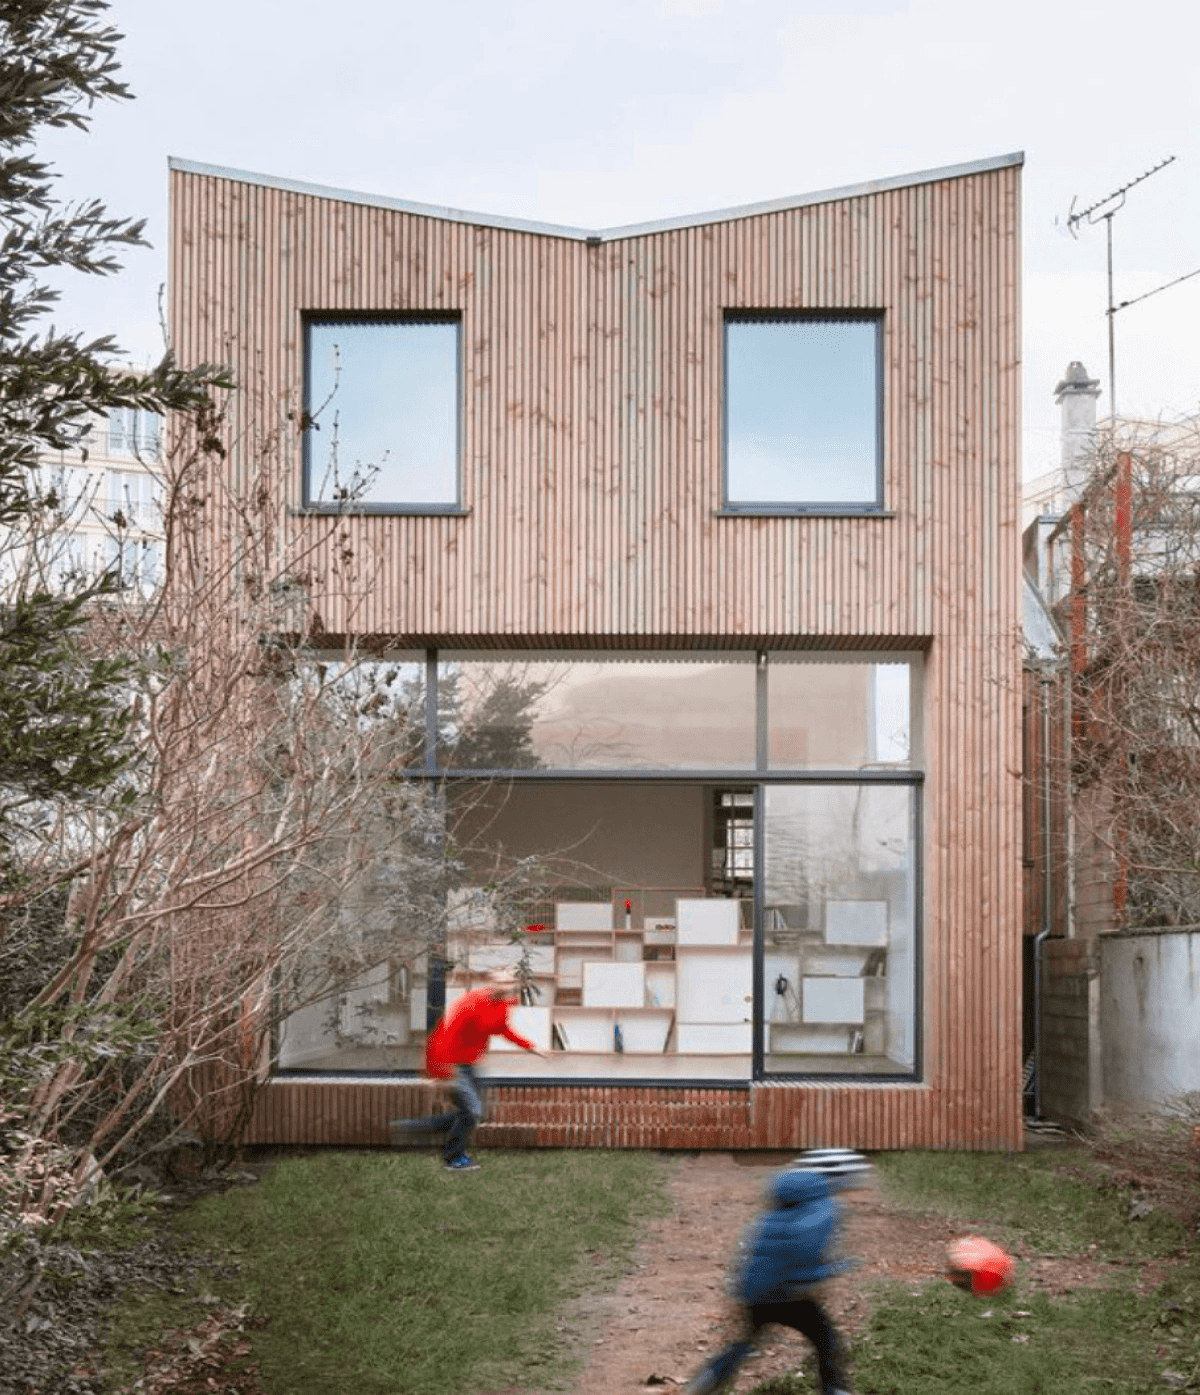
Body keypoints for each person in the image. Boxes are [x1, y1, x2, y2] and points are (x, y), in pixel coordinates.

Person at [685, 1152, 868, 1395]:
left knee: (745, 1342)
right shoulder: (825, 1205)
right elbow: (806, 1248)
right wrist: (832, 1268)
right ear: (842, 1178)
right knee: (826, 1339)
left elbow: (755, 1242)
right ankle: (835, 1389)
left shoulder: (786, 1200)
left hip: (755, 1288)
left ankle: (710, 1377)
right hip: (788, 1289)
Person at [391, 967, 547, 1171]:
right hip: (452, 1064)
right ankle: (453, 1158)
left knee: (473, 1113)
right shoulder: (471, 1003)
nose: (506, 986)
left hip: (470, 1064)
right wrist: (438, 1070)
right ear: (490, 982)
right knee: (473, 1112)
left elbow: (502, 1029)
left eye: (509, 982)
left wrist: (531, 1047)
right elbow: (444, 1036)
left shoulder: (503, 1004)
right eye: (500, 981)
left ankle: (411, 1128)